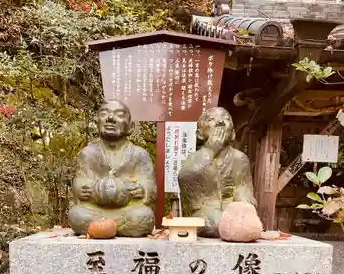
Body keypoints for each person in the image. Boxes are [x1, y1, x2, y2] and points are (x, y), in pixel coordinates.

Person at [68, 100, 157, 237]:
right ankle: (116, 229)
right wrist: (82, 190)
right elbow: (80, 179)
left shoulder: (139, 154)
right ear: (96, 123)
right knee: (76, 215)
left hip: (127, 211)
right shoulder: (88, 153)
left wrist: (143, 190)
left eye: (119, 115)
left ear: (131, 127)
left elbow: (148, 182)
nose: (110, 118)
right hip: (95, 210)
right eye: (104, 114)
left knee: (144, 216)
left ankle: (101, 230)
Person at [178, 107, 256, 238]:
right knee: (213, 222)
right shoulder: (195, 157)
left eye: (226, 119)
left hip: (232, 209)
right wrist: (210, 150)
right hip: (206, 209)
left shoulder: (239, 158)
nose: (220, 122)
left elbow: (244, 188)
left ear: (233, 134)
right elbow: (185, 177)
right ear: (199, 134)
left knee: (246, 217)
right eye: (212, 120)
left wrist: (244, 205)